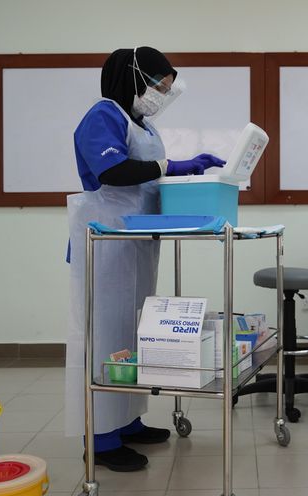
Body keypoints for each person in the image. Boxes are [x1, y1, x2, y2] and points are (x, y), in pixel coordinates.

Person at [65, 47, 225, 472]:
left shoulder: (143, 124)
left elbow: (149, 171)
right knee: (103, 333)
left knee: (133, 331)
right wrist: (171, 164)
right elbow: (113, 172)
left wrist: (187, 169)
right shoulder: (104, 114)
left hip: (135, 238)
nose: (160, 95)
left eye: (167, 89)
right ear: (135, 77)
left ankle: (128, 420)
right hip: (105, 241)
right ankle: (99, 437)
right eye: (158, 86)